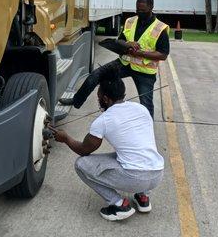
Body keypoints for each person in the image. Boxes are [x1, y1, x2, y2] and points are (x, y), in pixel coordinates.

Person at [49, 70, 164, 221]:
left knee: (81, 164)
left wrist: (66, 139)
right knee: (133, 153)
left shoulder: (103, 121)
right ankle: (143, 198)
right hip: (157, 174)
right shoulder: (142, 109)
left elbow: (84, 150)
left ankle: (119, 204)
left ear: (105, 98)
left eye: (99, 97)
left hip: (135, 178)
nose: (98, 101)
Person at [59, 0, 169, 118]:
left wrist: (140, 53)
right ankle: (76, 100)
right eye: (137, 9)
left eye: (143, 10)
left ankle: (147, 130)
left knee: (146, 104)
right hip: (125, 63)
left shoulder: (160, 28)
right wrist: (127, 44)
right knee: (96, 74)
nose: (139, 12)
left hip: (145, 71)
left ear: (151, 7)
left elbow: (163, 54)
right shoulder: (130, 21)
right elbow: (120, 40)